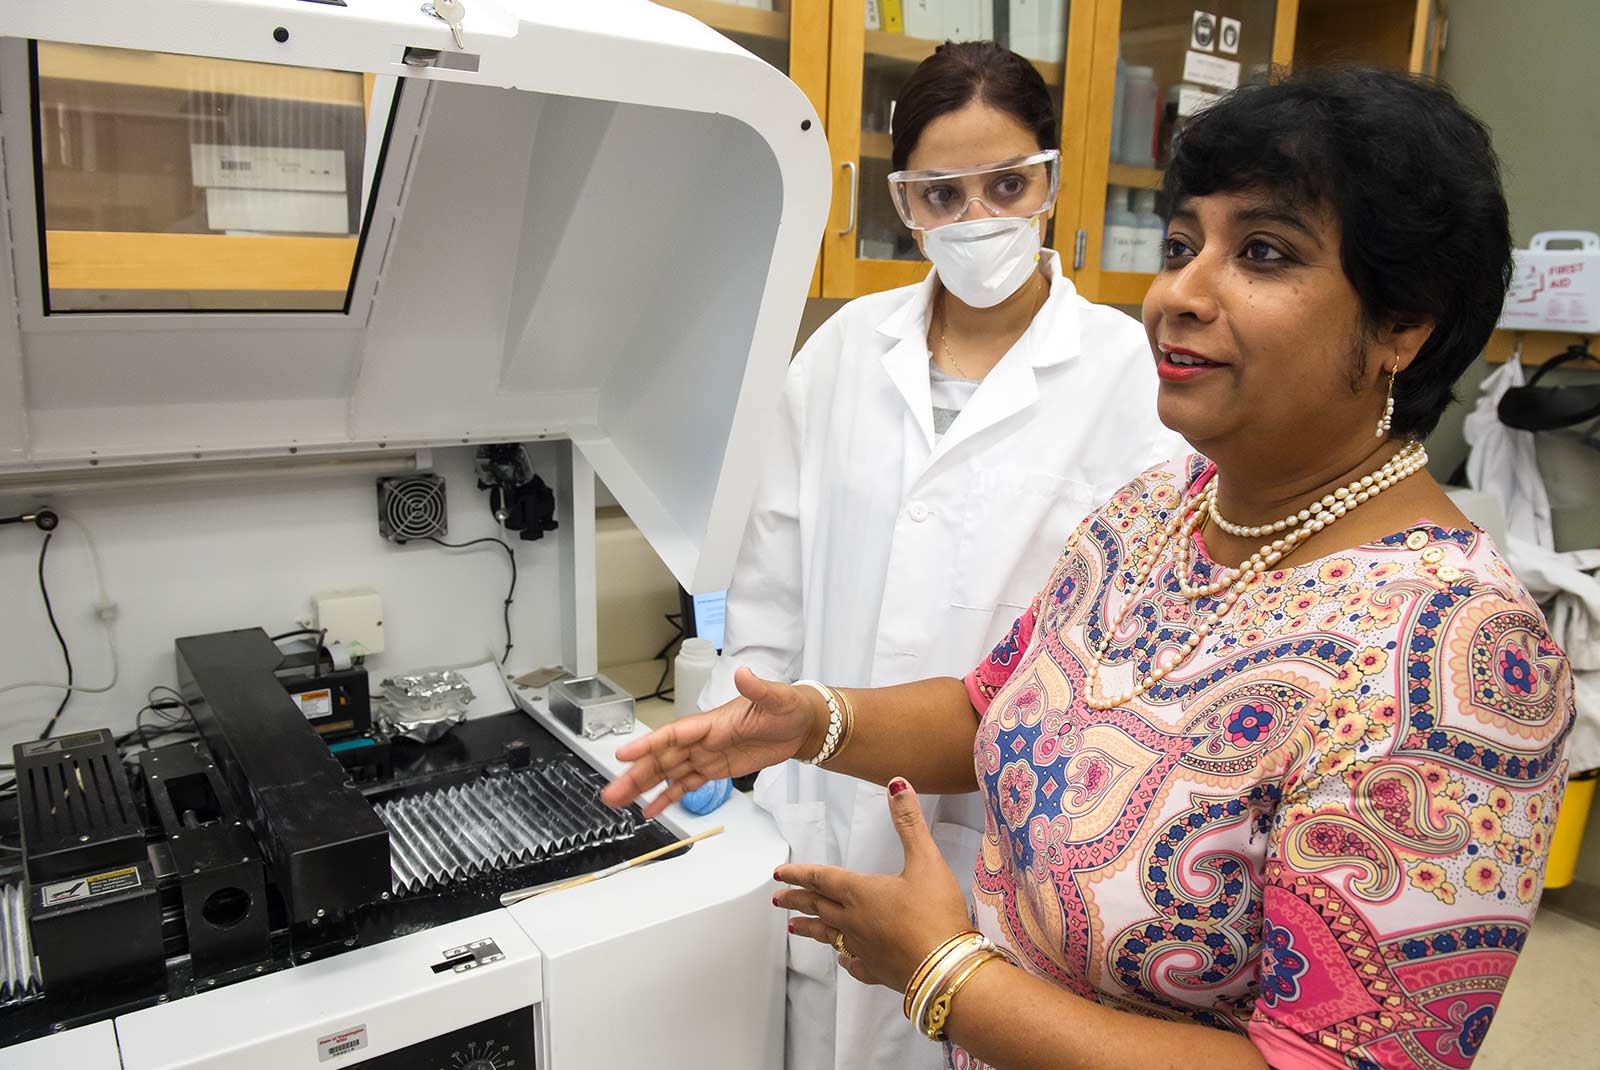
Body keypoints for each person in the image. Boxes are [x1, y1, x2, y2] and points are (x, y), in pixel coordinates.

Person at [609, 65, 1576, 1070]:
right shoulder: (1154, 514)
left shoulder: (1456, 661)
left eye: (1260, 251)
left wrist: (945, 976)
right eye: (1178, 245)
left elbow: (1332, 1062)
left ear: (1402, 325)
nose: (1177, 294)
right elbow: (991, 707)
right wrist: (813, 719)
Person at [696, 40, 1180, 1070]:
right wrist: (739, 736)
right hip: (820, 810)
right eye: (942, 194)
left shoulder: (1129, 380)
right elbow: (769, 588)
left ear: (1049, 182)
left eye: (1007, 184)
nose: (978, 220)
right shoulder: (838, 355)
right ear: (901, 203)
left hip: (1011, 846)